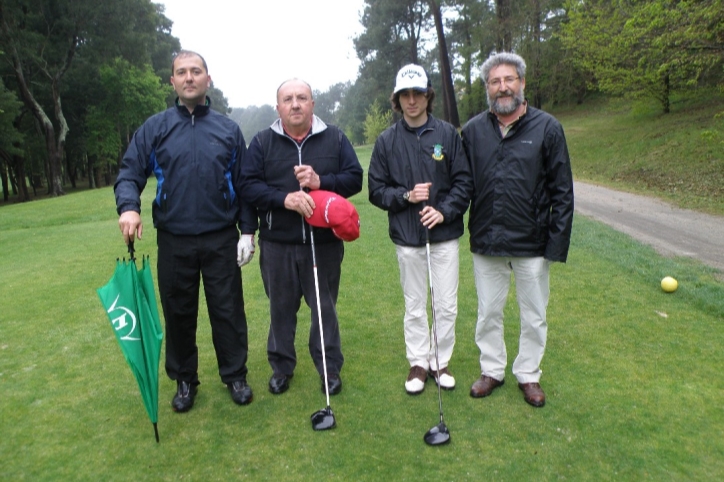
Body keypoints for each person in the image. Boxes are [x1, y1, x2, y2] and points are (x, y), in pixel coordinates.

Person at [114, 50, 255, 413]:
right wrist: (129, 207)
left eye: (196, 71)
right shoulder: (155, 128)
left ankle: (235, 374)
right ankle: (184, 380)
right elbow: (129, 173)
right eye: (182, 72)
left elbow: (245, 185)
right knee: (178, 311)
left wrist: (248, 232)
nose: (189, 77)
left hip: (220, 236)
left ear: (208, 79)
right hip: (174, 238)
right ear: (172, 81)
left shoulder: (227, 130)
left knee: (227, 310)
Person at [461, 52, 574, 407]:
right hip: (487, 239)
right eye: (495, 81)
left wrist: (555, 246)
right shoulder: (473, 130)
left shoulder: (548, 128)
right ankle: (492, 370)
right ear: (487, 88)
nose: (503, 87)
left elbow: (563, 192)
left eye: (509, 79)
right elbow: (462, 184)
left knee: (534, 315)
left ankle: (528, 373)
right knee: (488, 312)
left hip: (533, 243)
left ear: (522, 83)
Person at [240, 78, 363, 396]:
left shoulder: (334, 138)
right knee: (280, 309)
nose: (295, 104)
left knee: (324, 308)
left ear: (313, 104)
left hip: (323, 244)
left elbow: (354, 179)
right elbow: (248, 186)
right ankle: (281, 368)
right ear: (278, 106)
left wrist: (322, 180)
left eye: (302, 98)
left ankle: (329, 368)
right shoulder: (262, 142)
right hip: (277, 243)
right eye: (288, 99)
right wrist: (285, 199)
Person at [368, 64, 472, 395]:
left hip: (444, 235)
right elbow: (375, 190)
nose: (412, 100)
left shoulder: (446, 135)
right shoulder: (386, 141)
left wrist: (443, 212)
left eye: (418, 93)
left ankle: (440, 362)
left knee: (445, 304)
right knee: (414, 303)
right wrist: (406, 196)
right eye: (405, 95)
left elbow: (463, 182)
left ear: (428, 95)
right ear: (397, 100)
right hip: (407, 237)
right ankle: (418, 362)